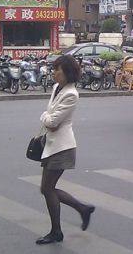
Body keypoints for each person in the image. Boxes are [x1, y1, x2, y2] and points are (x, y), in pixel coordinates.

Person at [36, 55, 95, 245]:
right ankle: (82, 210)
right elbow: (51, 119)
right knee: (47, 189)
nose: (54, 73)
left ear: (67, 72)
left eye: (57, 69)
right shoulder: (56, 88)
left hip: (62, 147)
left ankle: (57, 231)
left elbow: (52, 122)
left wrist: (44, 115)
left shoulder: (71, 94)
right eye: (53, 69)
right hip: (52, 145)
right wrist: (48, 116)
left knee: (47, 189)